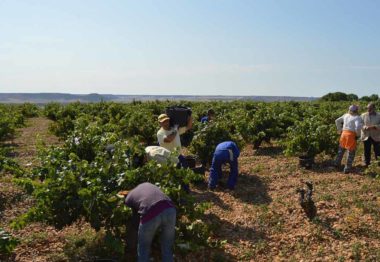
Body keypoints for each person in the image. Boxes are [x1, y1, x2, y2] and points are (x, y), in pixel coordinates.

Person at [119, 182, 176, 262]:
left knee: (143, 248)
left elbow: (136, 220)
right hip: (170, 209)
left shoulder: (128, 199)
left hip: (151, 211)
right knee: (167, 246)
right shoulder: (145, 185)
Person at [334, 105, 363, 173]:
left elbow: (337, 121)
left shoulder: (346, 115)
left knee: (341, 150)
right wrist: (357, 135)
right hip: (350, 135)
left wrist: (340, 129)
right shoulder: (357, 117)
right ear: (357, 110)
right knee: (351, 152)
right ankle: (347, 169)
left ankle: (336, 164)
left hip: (343, 134)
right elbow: (358, 127)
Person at [361, 102, 380, 167]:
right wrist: (365, 127)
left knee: (378, 150)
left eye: (370, 108)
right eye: (367, 108)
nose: (368, 109)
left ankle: (378, 163)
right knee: (367, 150)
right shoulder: (363, 115)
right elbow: (360, 124)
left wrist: (375, 127)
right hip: (366, 135)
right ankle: (367, 163)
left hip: (376, 135)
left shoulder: (379, 115)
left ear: (374, 108)